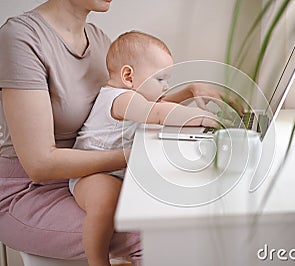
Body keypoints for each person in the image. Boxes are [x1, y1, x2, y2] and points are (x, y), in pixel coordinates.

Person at [0, 0, 224, 264]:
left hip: (88, 172)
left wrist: (188, 91)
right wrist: (136, 155)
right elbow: (41, 165)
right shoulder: (20, 39)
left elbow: (136, 107)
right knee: (156, 235)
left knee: (178, 208)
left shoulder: (98, 39)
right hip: (30, 190)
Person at [69, 31, 217, 266]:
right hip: (93, 172)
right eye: (160, 79)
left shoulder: (134, 99)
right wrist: (199, 118)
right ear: (128, 76)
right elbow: (157, 114)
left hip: (118, 168)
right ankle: (98, 261)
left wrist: (189, 94)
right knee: (106, 202)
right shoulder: (120, 99)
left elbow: (158, 108)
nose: (166, 85)